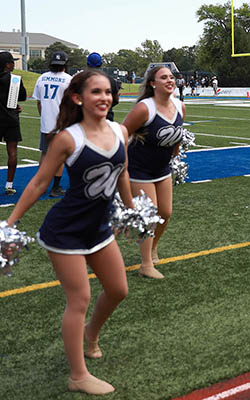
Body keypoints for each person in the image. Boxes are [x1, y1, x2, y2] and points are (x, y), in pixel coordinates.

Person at [7, 69, 134, 395]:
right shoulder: (69, 138)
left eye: (107, 92)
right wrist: (11, 222)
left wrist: (131, 209)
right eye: (96, 92)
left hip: (99, 228)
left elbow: (122, 173)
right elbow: (38, 182)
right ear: (78, 98)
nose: (104, 97)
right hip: (65, 231)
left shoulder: (120, 131)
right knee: (79, 298)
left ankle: (91, 333)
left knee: (118, 289)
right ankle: (78, 375)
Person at [122, 66, 186, 279]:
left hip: (162, 168)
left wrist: (175, 158)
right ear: (152, 83)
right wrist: (122, 165)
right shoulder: (144, 108)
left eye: (171, 77)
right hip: (139, 169)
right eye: (163, 77)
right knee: (149, 213)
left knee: (165, 213)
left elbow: (178, 135)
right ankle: (145, 265)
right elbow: (123, 132)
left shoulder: (179, 106)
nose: (170, 80)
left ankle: (152, 246)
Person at [32, 50, 72, 197]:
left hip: (46, 122)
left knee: (44, 153)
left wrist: (44, 117)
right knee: (60, 156)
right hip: (61, 123)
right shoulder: (68, 80)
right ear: (65, 64)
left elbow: (38, 102)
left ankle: (39, 185)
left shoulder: (42, 78)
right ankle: (55, 187)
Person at [0, 51, 27, 195]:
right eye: (12, 62)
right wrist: (15, 106)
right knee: (12, 152)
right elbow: (21, 97)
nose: (14, 64)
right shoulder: (15, 79)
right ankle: (9, 185)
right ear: (7, 65)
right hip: (11, 118)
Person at [86, 52, 120, 121]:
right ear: (101, 64)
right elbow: (116, 99)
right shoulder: (110, 80)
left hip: (86, 119)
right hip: (107, 118)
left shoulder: (81, 80)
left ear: (87, 64)